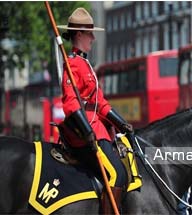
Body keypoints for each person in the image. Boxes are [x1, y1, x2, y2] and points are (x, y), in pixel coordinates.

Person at [57, 7, 133, 214]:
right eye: (90, 33)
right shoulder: (72, 65)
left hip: (99, 130)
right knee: (117, 174)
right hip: (86, 133)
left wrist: (122, 123)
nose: (93, 38)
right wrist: (86, 131)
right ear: (79, 34)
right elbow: (71, 104)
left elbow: (100, 103)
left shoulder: (86, 64)